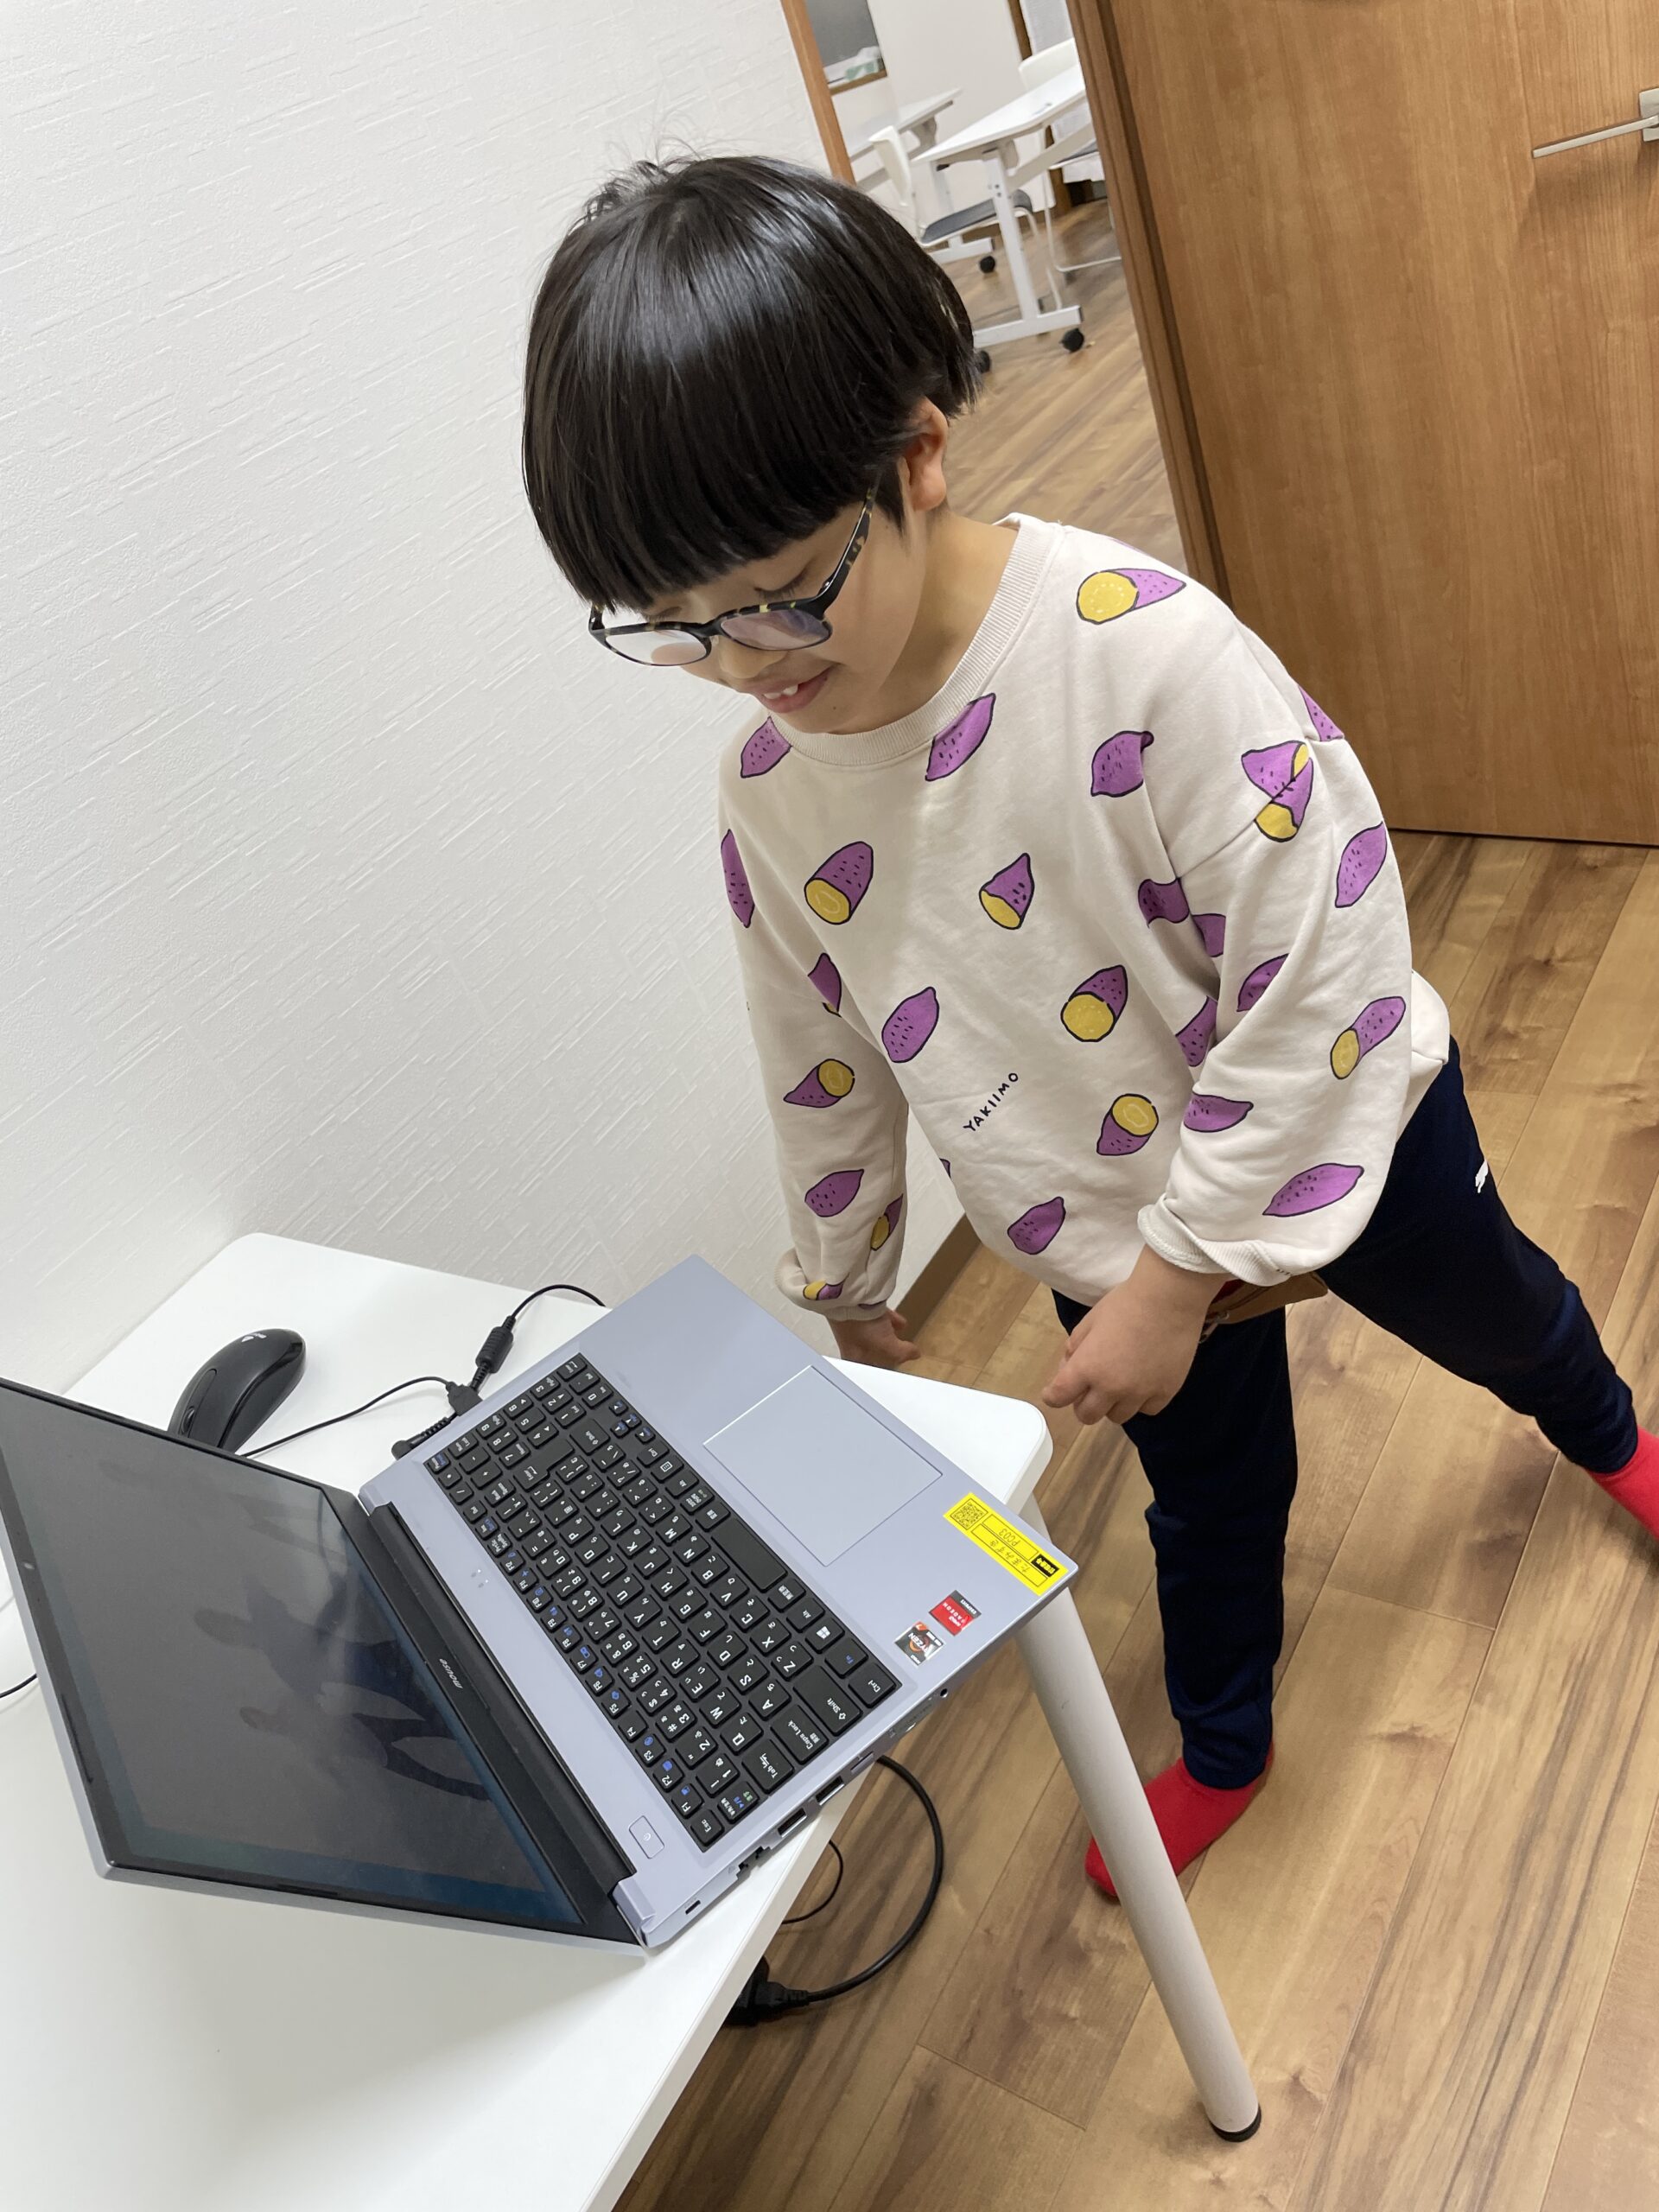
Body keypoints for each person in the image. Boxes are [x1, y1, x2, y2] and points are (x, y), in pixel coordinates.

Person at [519, 154, 1656, 1896]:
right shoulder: (772, 782)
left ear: (917, 454)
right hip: (1092, 1208)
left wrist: (1185, 1275)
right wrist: (849, 1267)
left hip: (1340, 1130)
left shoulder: (1146, 656)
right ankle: (1226, 1740)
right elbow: (815, 1044)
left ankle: (1616, 1436)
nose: (742, 665)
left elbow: (1329, 964)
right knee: (1203, 1498)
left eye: (779, 595)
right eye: (672, 630)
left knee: (1502, 1311)